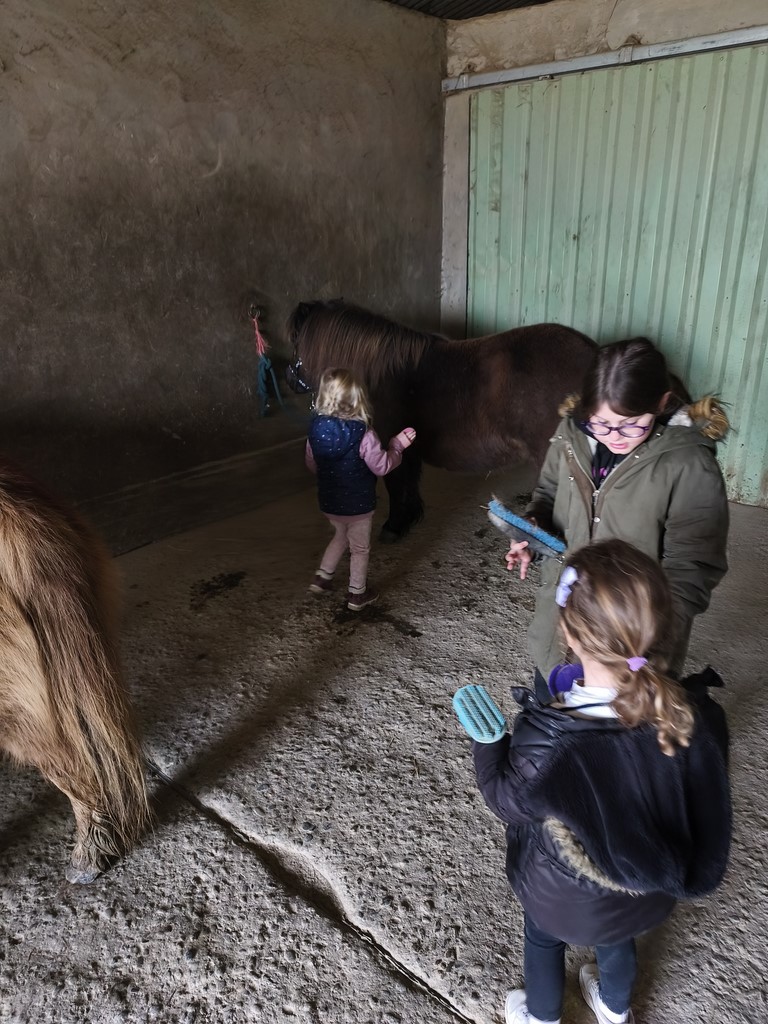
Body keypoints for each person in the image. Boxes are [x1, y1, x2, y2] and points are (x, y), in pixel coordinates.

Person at [472, 539, 731, 1024]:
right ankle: (614, 1009)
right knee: (616, 936)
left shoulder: (547, 739)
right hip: (643, 892)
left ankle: (542, 1015)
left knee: (542, 938)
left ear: (568, 633)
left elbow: (507, 800)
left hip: (560, 898)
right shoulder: (688, 716)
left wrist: (489, 746)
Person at [506, 337, 729, 701]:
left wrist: (646, 638)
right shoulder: (571, 434)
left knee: (621, 731)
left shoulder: (688, 463)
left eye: (631, 424)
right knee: (551, 711)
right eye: (601, 423)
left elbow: (694, 565)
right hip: (562, 627)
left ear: (661, 403)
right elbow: (547, 493)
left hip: (631, 650)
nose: (615, 437)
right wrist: (533, 529)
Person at [305, 367, 415, 611]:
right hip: (358, 505)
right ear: (357, 397)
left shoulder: (314, 430)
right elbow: (381, 466)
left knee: (339, 536)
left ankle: (322, 577)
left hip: (330, 502)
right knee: (360, 548)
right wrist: (397, 446)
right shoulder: (364, 433)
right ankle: (357, 594)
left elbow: (312, 464)